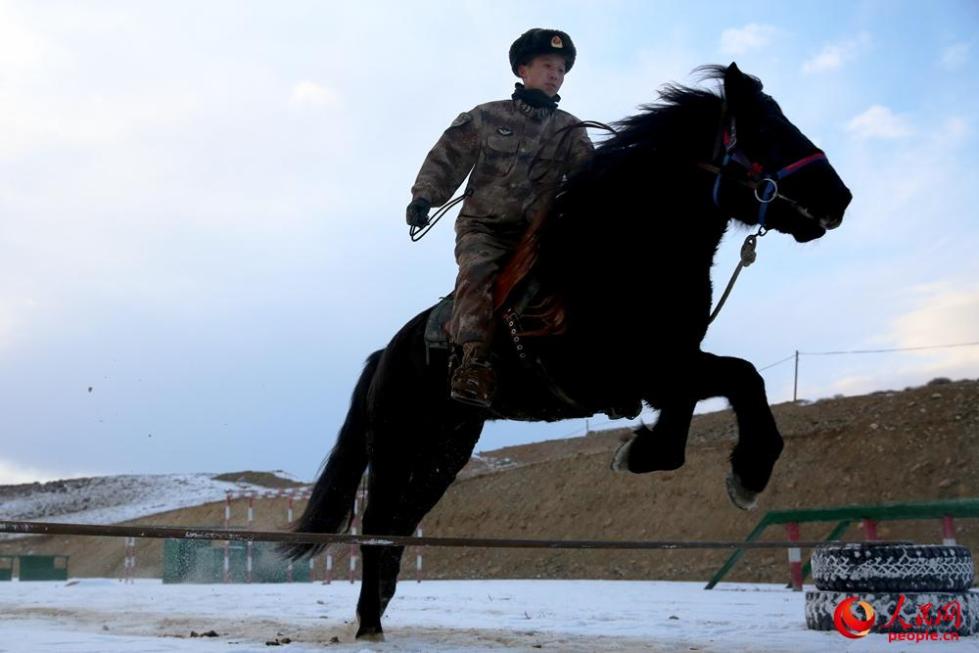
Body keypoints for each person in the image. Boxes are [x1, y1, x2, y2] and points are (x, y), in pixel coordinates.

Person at [406, 28, 593, 408]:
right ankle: (472, 362)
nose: (555, 74)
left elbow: (591, 178)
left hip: (537, 236)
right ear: (523, 68)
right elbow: (447, 157)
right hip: (484, 229)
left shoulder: (570, 131)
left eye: (561, 69)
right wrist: (424, 196)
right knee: (477, 275)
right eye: (547, 65)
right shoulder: (486, 117)